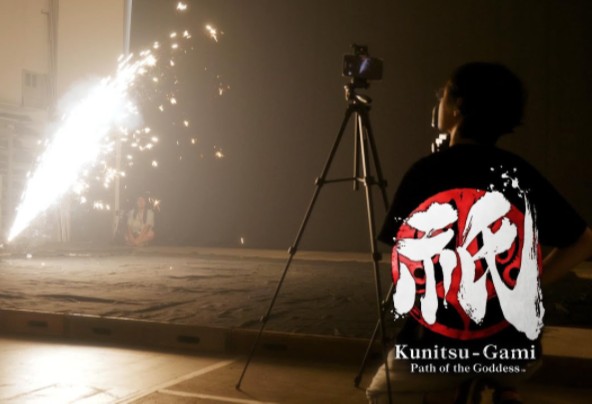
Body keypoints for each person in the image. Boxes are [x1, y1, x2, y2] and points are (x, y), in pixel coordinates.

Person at [366, 62, 592, 404]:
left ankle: (463, 385)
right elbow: (583, 241)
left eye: (443, 94)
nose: (438, 101)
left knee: (380, 395)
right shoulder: (517, 172)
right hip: (516, 348)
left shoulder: (426, 172)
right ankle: (502, 384)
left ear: (458, 105)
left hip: (442, 345)